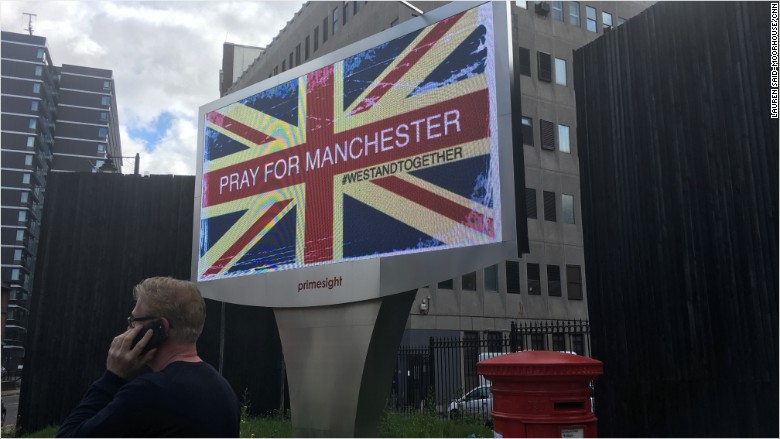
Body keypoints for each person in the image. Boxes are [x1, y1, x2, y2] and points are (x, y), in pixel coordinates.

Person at [56, 277, 240, 437]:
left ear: (160, 327)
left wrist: (112, 377)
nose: (128, 329)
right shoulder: (224, 389)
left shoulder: (149, 392)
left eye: (133, 321)